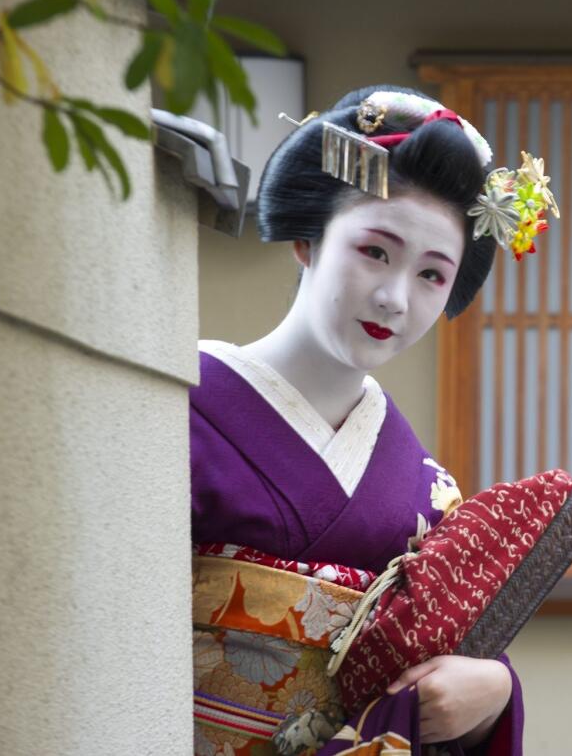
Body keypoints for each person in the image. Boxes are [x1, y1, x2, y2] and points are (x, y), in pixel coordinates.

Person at [190, 85, 528, 756]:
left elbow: (436, 679)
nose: (394, 296)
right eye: (375, 250)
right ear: (308, 237)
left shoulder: (429, 492)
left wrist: (496, 691)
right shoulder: (181, 404)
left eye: (433, 275)